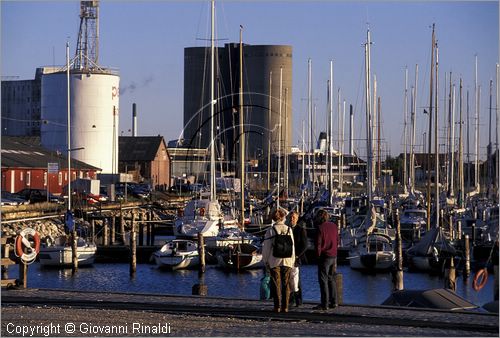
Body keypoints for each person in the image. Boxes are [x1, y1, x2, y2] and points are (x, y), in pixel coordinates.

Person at [262, 208, 295, 313]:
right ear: (283, 217)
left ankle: (277, 306)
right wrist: (292, 260)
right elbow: (292, 246)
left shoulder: (270, 230)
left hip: (274, 260)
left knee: (276, 283)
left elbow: (266, 247)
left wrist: (265, 260)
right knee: (286, 284)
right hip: (287, 260)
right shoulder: (289, 229)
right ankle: (285, 306)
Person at [314, 209, 339, 310]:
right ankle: (334, 301)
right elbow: (337, 240)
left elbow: (318, 244)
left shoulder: (320, 228)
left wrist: (318, 256)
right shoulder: (334, 226)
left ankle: (324, 303)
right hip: (334, 255)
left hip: (324, 256)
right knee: (331, 278)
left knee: (323, 280)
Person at [287, 210, 308, 307]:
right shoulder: (287, 229)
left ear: (297, 219)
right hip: (288, 257)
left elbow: (305, 245)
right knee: (289, 279)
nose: (292, 219)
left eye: (294, 218)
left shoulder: (300, 229)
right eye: (291, 217)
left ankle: (298, 300)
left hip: (297, 257)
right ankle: (291, 300)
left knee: (296, 279)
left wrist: (297, 255)